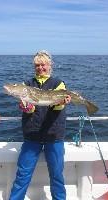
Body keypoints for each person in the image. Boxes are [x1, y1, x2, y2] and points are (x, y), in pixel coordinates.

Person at [9, 50, 71, 200]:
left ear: (50, 66)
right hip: (32, 134)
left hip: (53, 134)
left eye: (43, 64)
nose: (40, 68)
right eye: (37, 65)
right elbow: (30, 108)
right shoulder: (27, 85)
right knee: (23, 173)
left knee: (56, 174)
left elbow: (56, 107)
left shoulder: (58, 83)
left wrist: (61, 102)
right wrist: (26, 107)